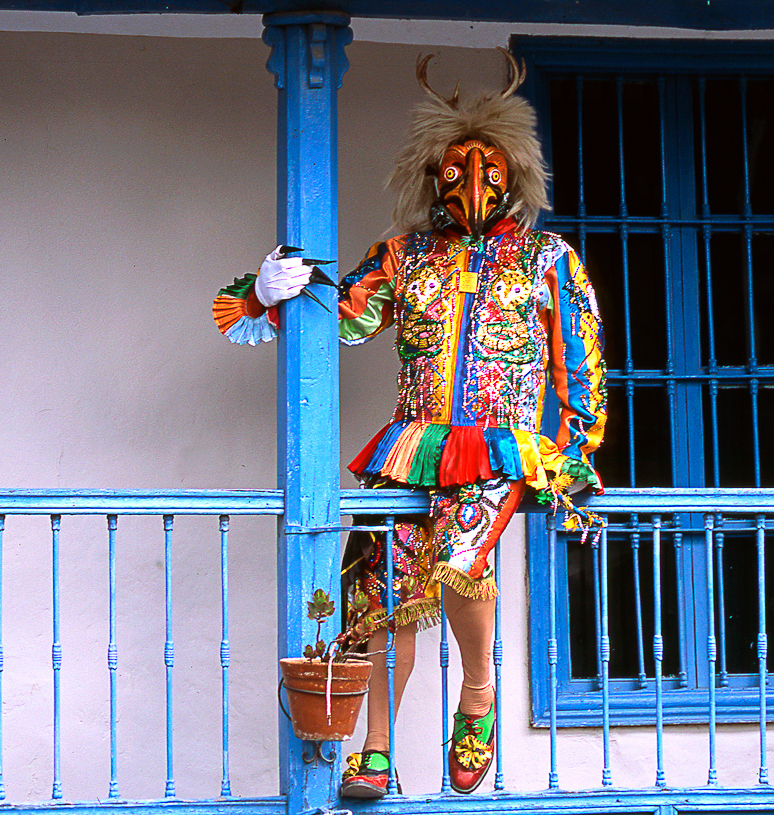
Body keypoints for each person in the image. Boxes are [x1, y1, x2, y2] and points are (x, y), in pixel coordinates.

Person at [212, 49, 606, 798]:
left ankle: (479, 692)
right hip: (411, 441)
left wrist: (575, 453)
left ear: (512, 175)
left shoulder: (548, 258)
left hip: (497, 444)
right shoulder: (404, 254)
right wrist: (269, 294)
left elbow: (577, 362)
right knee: (378, 593)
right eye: (455, 171)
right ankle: (378, 748)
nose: (471, 185)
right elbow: (344, 313)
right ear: (434, 177)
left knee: (463, 554)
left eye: (488, 171)